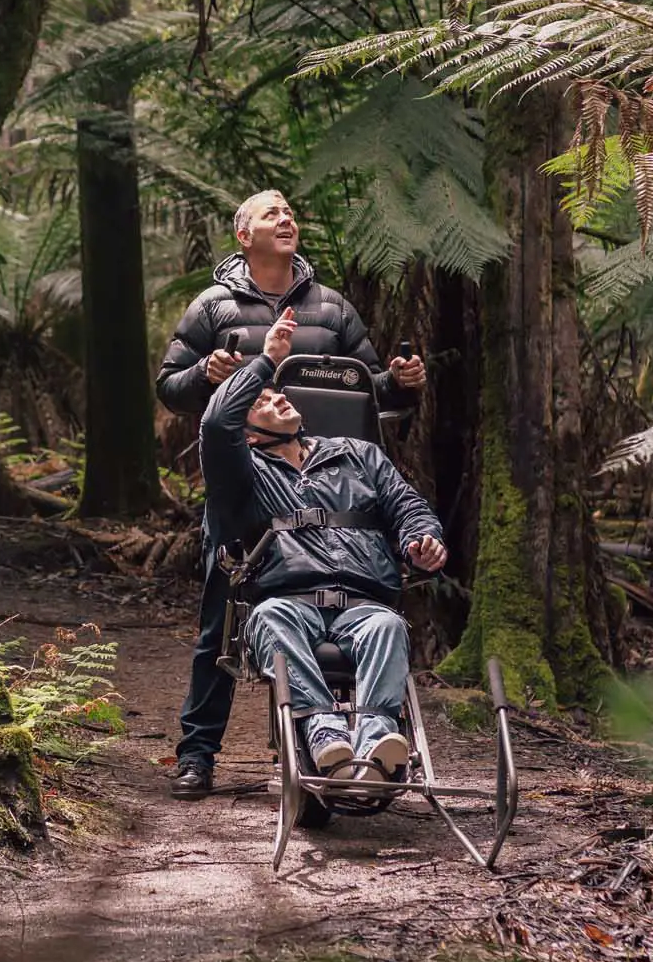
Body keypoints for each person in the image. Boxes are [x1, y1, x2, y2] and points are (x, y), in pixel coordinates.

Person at [155, 190, 426, 799]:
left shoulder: (330, 309)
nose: (287, 218)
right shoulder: (213, 307)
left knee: (334, 608)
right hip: (251, 486)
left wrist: (403, 385)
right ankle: (198, 754)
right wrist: (205, 375)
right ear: (243, 235)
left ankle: (319, 741)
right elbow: (169, 387)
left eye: (290, 212)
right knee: (220, 622)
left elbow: (369, 388)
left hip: (331, 479)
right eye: (270, 213)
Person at [202, 305, 448, 785]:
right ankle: (323, 733)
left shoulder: (360, 455)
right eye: (262, 402)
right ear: (248, 435)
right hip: (286, 601)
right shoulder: (244, 475)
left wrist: (425, 540)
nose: (276, 400)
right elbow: (215, 426)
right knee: (271, 618)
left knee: (387, 627)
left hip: (364, 602)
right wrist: (266, 360)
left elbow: (408, 506)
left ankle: (380, 742)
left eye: (277, 394)